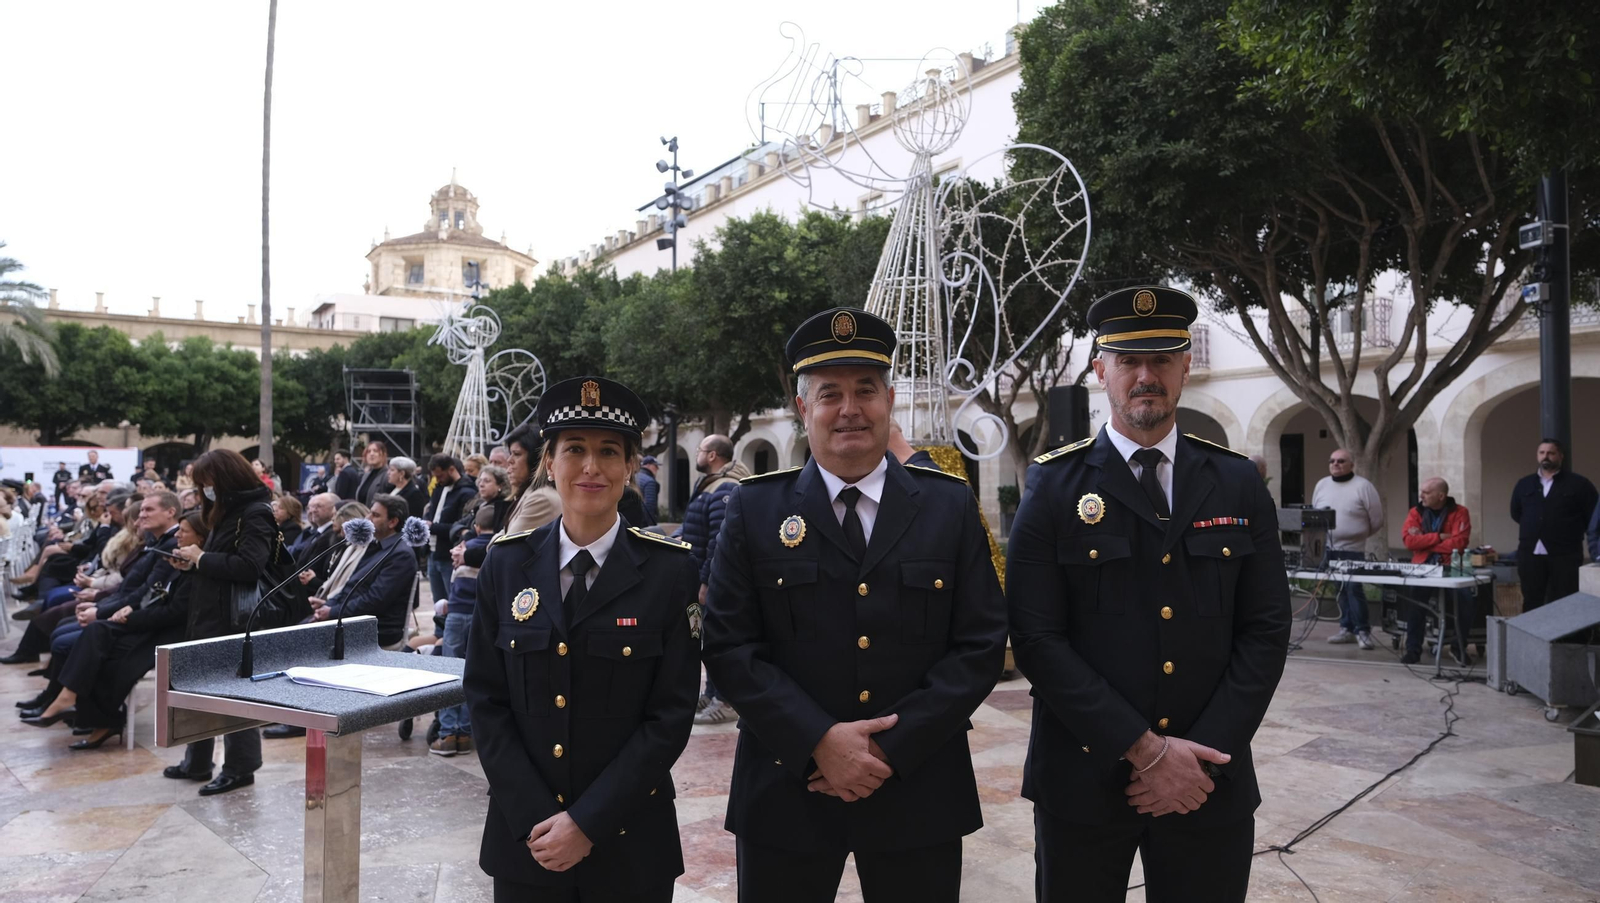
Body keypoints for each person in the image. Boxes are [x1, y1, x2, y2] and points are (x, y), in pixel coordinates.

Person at [702, 308, 1008, 903]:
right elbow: (730, 645)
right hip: (788, 786)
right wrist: (820, 740)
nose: (849, 409)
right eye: (829, 394)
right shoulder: (755, 510)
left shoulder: (946, 506)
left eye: (866, 390)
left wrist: (887, 750)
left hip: (918, 787)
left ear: (890, 398)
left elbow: (980, 644)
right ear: (802, 407)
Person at [1006, 286, 1291, 903]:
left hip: (1207, 782)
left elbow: (1265, 630)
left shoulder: (1236, 483)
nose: (1145, 376)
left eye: (1162, 359)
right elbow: (1036, 637)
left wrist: (1197, 759)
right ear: (1099, 370)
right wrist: (1145, 751)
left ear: (1186, 366)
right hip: (1083, 778)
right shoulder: (1054, 486)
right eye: (1128, 361)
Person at [463, 375, 699, 901]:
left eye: (609, 452)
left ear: (630, 466)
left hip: (630, 843)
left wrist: (587, 823)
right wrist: (537, 819)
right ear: (549, 463)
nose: (591, 467)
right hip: (529, 844)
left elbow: (670, 716)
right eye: (574, 450)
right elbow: (485, 700)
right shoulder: (505, 565)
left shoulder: (669, 573)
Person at [37, 511, 208, 749]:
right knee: (96, 633)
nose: (177, 535)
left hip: (166, 635)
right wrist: (127, 610)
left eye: (184, 531)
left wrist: (131, 617)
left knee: (107, 653)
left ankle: (90, 712)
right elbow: (153, 594)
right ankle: (70, 697)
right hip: (150, 622)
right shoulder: (183, 563)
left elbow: (174, 612)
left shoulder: (201, 570)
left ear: (200, 539)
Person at [163, 448, 277, 795]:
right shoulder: (225, 510)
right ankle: (197, 760)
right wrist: (193, 562)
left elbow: (249, 567)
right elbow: (218, 561)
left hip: (232, 619)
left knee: (232, 695)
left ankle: (240, 768)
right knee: (200, 688)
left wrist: (202, 558)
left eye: (207, 482)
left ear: (224, 479)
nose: (204, 490)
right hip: (209, 612)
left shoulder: (255, 512)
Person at [679, 434, 750, 724]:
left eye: (701, 450)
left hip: (713, 581)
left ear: (712, 456)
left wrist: (706, 580)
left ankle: (725, 700)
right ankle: (711, 693)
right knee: (706, 640)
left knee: (718, 640)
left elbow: (718, 541)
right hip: (699, 576)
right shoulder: (709, 485)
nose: (697, 453)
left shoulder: (725, 488)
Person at [307, 494, 417, 648]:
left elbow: (374, 601)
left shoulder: (400, 555)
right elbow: (350, 588)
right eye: (370, 512)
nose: (367, 517)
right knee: (291, 632)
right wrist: (328, 606)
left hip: (374, 630)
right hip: (351, 620)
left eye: (375, 515)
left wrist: (332, 612)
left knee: (296, 643)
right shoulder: (375, 546)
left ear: (393, 522)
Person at [431, 503, 497, 757]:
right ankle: (467, 732)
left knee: (450, 672)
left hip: (457, 613)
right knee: (474, 672)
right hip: (482, 615)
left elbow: (454, 581)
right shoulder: (499, 547)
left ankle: (447, 733)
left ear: (477, 526)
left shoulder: (463, 548)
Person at [1511, 438, 1598, 611]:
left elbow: (1593, 517)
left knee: (1565, 599)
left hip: (1565, 553)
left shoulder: (1579, 484)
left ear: (1560, 456)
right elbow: (1516, 512)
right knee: (1531, 598)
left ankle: (1565, 638)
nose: (1546, 457)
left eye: (1551, 453)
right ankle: (1531, 636)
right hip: (1531, 552)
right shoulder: (1524, 484)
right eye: (1542, 453)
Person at [1312, 448, 1385, 650]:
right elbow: (1314, 515)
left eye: (1341, 461)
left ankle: (1363, 631)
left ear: (1351, 464)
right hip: (1327, 547)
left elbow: (1377, 520)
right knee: (1340, 590)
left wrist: (1356, 535)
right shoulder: (1322, 485)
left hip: (1353, 549)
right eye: (1332, 460)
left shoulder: (1363, 486)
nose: (1336, 464)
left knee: (1354, 589)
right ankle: (1346, 628)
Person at [1401, 478, 1474, 665]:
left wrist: (1424, 542)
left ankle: (1458, 648)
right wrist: (1439, 537)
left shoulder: (1460, 512)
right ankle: (1413, 650)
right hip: (1422, 567)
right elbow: (1409, 542)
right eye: (1421, 491)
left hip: (1451, 567)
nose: (1421, 496)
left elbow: (1459, 543)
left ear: (1441, 496)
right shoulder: (1415, 512)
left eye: (1426, 492)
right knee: (1415, 604)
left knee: (1465, 600)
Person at [424, 454, 477, 620]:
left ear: (452, 469)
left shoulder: (467, 492)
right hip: (434, 554)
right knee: (439, 606)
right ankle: (440, 636)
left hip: (450, 555)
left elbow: (461, 527)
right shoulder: (439, 489)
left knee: (452, 605)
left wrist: (432, 527)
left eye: (440, 476)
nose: (437, 480)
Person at [502, 424, 562, 534]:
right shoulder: (529, 492)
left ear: (535, 458)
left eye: (517, 454)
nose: (510, 460)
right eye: (510, 454)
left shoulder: (542, 499)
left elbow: (503, 545)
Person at [386, 456, 430, 529]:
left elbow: (413, 521)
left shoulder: (414, 493)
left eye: (392, 470)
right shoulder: (392, 488)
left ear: (402, 473)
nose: (388, 473)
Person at [356, 440, 392, 507]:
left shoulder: (387, 475)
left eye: (375, 451)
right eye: (369, 451)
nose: (371, 454)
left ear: (383, 454)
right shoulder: (365, 476)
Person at [638, 455, 661, 520]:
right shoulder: (650, 481)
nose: (657, 468)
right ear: (648, 465)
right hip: (644, 523)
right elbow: (650, 506)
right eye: (655, 466)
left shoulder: (634, 477)